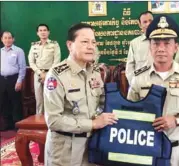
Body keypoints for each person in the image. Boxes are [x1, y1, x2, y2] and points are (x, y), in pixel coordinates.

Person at [127, 15, 179, 166]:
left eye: (167, 43)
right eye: (156, 43)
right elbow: (129, 111)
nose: (161, 48)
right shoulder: (139, 78)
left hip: (178, 150)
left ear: (176, 47)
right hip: (147, 149)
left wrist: (177, 119)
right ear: (149, 47)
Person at [44, 23, 118, 166]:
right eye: (85, 42)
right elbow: (53, 120)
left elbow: (102, 103)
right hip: (66, 150)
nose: (91, 46)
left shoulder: (95, 72)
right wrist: (93, 123)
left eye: (93, 42)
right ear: (70, 45)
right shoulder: (57, 75)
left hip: (92, 145)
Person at [28, 23, 61, 114]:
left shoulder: (54, 44)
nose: (43, 32)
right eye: (40, 30)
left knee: (51, 98)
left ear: (48, 32)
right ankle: (39, 120)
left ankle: (51, 121)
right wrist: (40, 73)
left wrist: (47, 74)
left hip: (51, 74)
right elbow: (31, 62)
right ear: (37, 33)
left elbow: (56, 61)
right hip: (38, 75)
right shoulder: (34, 46)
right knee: (39, 99)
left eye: (45, 30)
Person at [0, 31, 26, 130]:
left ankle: (17, 124)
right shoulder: (0, 51)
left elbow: (22, 67)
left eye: (9, 38)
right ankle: (7, 124)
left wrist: (19, 81)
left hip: (14, 79)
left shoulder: (18, 51)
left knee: (15, 102)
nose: (7, 40)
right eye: (5, 38)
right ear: (2, 39)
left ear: (13, 39)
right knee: (3, 102)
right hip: (2, 79)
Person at [126, 11, 153, 85]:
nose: (148, 24)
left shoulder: (164, 40)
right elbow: (130, 68)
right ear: (140, 25)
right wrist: (134, 84)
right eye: (145, 22)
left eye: (150, 21)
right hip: (141, 85)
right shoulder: (134, 43)